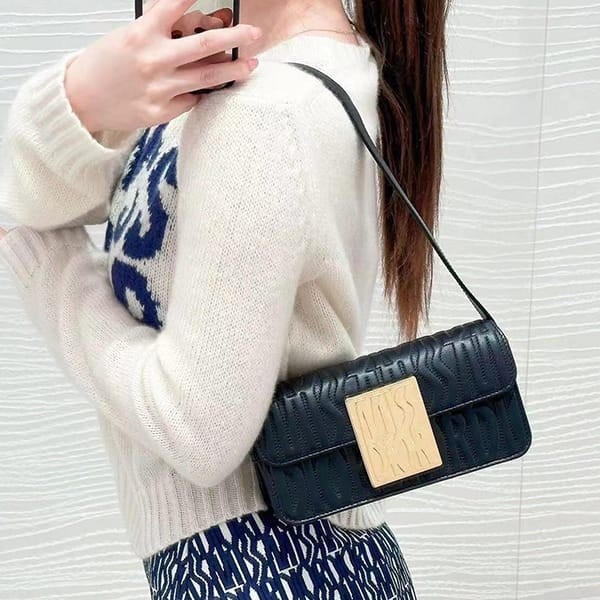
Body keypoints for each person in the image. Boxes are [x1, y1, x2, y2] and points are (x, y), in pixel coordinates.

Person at [0, 0, 451, 597]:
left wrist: (52, 273)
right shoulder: (239, 78)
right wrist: (81, 95)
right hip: (285, 559)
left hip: (262, 565)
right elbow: (32, 195)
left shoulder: (265, 111)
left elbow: (197, 432)